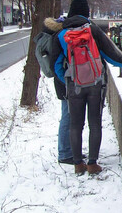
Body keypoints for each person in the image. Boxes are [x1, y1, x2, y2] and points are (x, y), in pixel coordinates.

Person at [51, 0, 122, 175]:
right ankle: (92, 163)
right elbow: (109, 53)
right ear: (87, 12)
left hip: (74, 85)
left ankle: (77, 164)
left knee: (75, 124)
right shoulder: (92, 29)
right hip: (96, 83)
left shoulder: (61, 33)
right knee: (94, 123)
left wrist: (67, 79)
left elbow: (55, 64)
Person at [41, 16, 75, 165]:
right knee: (67, 117)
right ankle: (65, 153)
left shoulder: (54, 35)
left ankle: (68, 151)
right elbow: (57, 64)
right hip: (64, 83)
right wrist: (67, 82)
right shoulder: (59, 38)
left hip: (62, 82)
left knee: (68, 116)